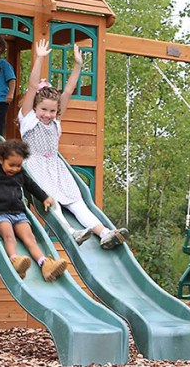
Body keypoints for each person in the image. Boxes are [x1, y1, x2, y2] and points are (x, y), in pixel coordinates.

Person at [19, 39, 129, 249]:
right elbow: (33, 86)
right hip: (35, 166)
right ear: (35, 107)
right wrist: (40, 58)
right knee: (52, 201)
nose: (48, 115)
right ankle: (70, 232)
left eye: (52, 111)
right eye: (44, 110)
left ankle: (104, 233)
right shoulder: (28, 119)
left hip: (56, 168)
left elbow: (67, 91)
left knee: (77, 202)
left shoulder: (56, 122)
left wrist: (78, 65)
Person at [0, 139, 68, 282]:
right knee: (9, 236)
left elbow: (31, 186)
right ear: (1, 159)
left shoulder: (20, 173)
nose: (15, 169)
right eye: (11, 165)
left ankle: (45, 264)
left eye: (18, 165)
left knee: (30, 238)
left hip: (18, 213)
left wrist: (44, 197)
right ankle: (15, 261)